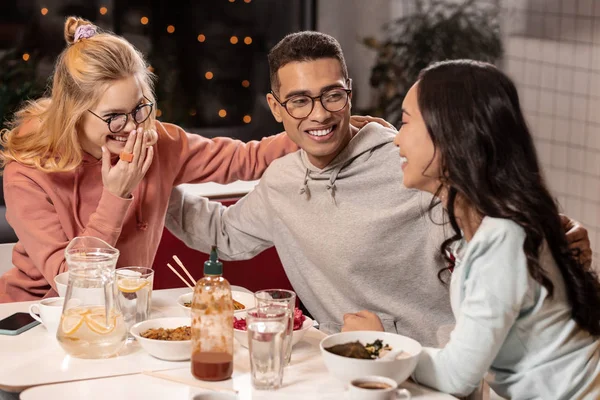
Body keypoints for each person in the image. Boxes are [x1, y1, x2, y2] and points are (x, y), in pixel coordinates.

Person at [165, 32, 592, 347]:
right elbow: (221, 234)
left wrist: (556, 233)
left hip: (446, 361)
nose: (320, 115)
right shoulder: (282, 181)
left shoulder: (408, 162)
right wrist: (156, 179)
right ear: (276, 109)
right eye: (299, 100)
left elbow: (493, 201)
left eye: (332, 95)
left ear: (349, 95)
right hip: (352, 362)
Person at [343, 60, 599, 399]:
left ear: (451, 134)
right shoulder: (483, 228)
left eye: (405, 122)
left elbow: (456, 377)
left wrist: (381, 347)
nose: (396, 140)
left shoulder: (503, 237)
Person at [0, 17, 299, 303]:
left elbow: (245, 159)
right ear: (73, 113)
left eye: (139, 109)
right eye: (113, 117)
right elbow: (74, 284)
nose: (132, 127)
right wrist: (116, 196)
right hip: (36, 317)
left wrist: (317, 131)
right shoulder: (28, 172)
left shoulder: (156, 141)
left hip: (121, 311)